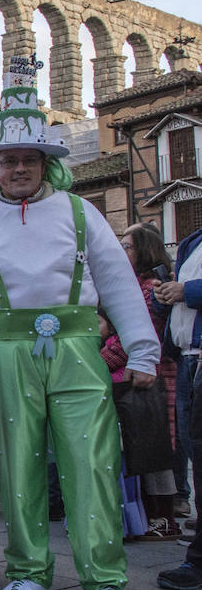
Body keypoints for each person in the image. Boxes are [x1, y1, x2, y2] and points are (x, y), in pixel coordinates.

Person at [0, 56, 158, 590]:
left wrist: (143, 350)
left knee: (91, 461)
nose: (18, 169)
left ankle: (105, 583)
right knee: (19, 467)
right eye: (8, 159)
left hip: (79, 351)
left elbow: (118, 285)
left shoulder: (83, 214)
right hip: (5, 354)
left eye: (28, 159)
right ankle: (27, 572)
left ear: (46, 164)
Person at [117, 224, 182, 539]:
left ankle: (164, 518)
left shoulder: (149, 287)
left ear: (144, 251)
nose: (122, 251)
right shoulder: (132, 285)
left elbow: (138, 333)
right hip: (137, 375)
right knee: (143, 445)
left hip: (151, 376)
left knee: (155, 447)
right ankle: (150, 515)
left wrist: (102, 358)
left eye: (127, 246)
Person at [152, 224, 202, 590]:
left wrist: (187, 290)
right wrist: (164, 294)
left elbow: (189, 292)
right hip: (187, 359)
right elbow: (174, 302)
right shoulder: (192, 241)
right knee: (195, 455)